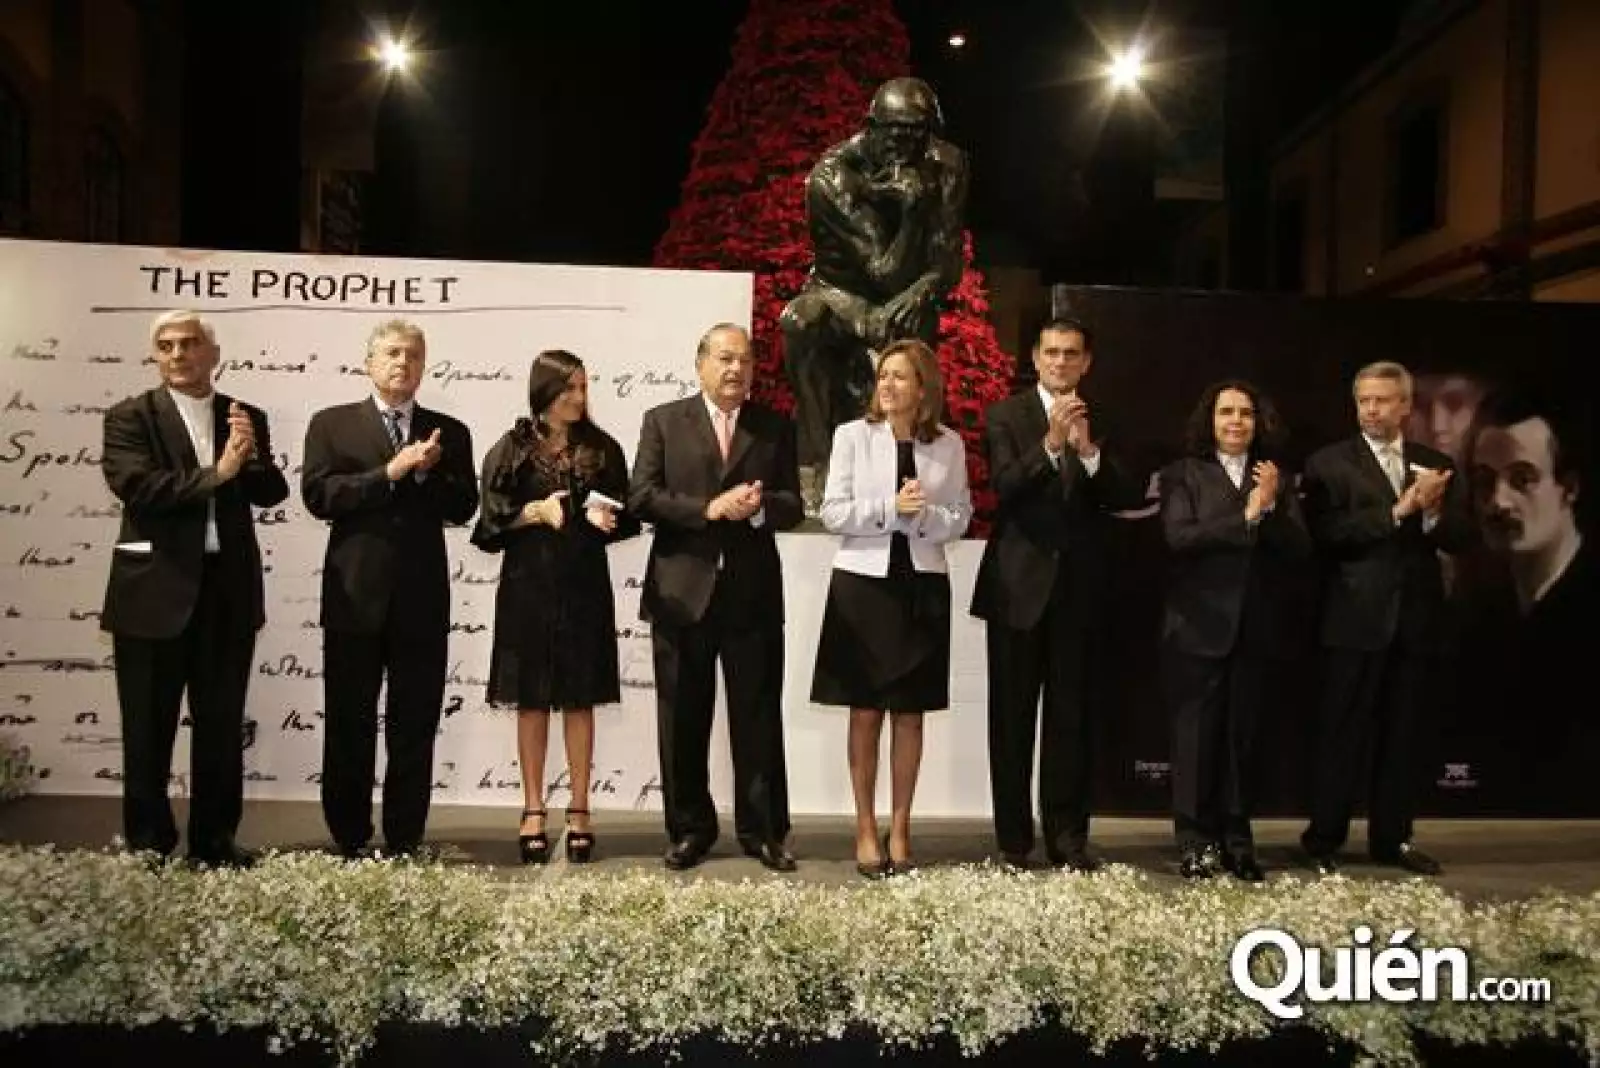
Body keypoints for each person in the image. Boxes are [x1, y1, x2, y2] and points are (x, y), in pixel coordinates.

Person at [99, 310, 289, 867]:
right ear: (156, 356)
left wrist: (251, 458)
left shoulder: (244, 415)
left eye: (189, 343)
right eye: (166, 346)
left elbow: (271, 493)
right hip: (151, 594)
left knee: (222, 728)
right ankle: (148, 845)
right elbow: (139, 488)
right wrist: (219, 473)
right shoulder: (130, 416)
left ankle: (215, 843)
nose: (178, 354)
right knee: (147, 728)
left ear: (213, 354)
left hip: (226, 594)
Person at [628, 322, 804, 872]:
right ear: (700, 363)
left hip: (752, 596)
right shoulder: (663, 420)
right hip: (681, 593)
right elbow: (641, 496)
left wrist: (759, 509)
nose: (736, 369)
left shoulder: (773, 426)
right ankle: (689, 829)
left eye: (745, 360)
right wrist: (707, 509)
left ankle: (764, 831)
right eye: (725, 358)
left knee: (758, 716)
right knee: (682, 717)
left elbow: (793, 505)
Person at [301, 320, 478, 858]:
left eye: (414, 355)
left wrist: (425, 475)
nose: (403, 363)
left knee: (415, 722)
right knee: (348, 719)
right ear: (369, 363)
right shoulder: (331, 424)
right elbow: (319, 496)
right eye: (393, 353)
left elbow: (464, 507)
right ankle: (348, 834)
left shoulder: (449, 431)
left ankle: (405, 835)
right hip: (353, 597)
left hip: (421, 600)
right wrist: (391, 472)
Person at [969, 317, 1140, 871]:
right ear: (1035, 358)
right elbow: (1004, 488)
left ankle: (1068, 838)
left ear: (1086, 362)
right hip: (1017, 588)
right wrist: (1050, 443)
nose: (1060, 362)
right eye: (1051, 352)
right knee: (1011, 720)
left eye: (1071, 353)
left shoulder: (1105, 417)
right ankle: (1014, 841)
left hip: (1080, 591)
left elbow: (1125, 495)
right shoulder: (1006, 415)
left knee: (1072, 718)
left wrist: (1088, 453)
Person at [1299, 360, 1473, 876]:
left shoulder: (1435, 464)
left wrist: (1433, 512)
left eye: (1382, 400)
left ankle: (1393, 839)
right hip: (1353, 619)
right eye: (1364, 401)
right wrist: (1399, 511)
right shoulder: (1329, 463)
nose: (1371, 410)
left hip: (1415, 620)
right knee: (1341, 733)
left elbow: (1464, 537)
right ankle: (1324, 839)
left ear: (1405, 406)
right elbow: (1326, 535)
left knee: (1403, 735)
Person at [470, 350, 640, 864]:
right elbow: (489, 522)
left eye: (583, 387)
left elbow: (629, 511)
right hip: (527, 587)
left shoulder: (602, 447)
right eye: (569, 388)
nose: (578, 397)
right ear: (544, 390)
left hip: (585, 586)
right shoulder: (512, 448)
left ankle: (581, 808)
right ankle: (532, 808)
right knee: (531, 700)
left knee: (580, 698)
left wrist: (610, 520)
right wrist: (533, 512)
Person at [811, 339, 972, 877]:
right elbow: (832, 512)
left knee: (910, 712)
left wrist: (925, 517)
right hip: (863, 586)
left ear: (923, 388)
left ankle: (900, 827)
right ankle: (864, 826)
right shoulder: (852, 436)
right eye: (884, 375)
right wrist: (889, 508)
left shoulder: (948, 444)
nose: (888, 385)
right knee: (864, 711)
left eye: (900, 377)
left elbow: (961, 516)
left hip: (922, 585)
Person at [780, 76, 970, 510]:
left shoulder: (948, 163)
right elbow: (882, 270)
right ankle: (816, 465)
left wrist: (923, 289)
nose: (909, 144)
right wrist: (913, 213)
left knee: (913, 330)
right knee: (800, 323)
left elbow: (948, 258)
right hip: (838, 294)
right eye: (897, 132)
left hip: (907, 292)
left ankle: (909, 471)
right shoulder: (832, 176)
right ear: (871, 127)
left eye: (919, 132)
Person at [1158, 381, 1310, 882]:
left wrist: (1271, 506)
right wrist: (1246, 515)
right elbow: (1180, 537)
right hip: (1196, 625)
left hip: (1255, 627)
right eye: (1227, 412)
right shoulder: (1183, 474)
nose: (1236, 421)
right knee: (1194, 740)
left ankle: (1238, 842)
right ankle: (1194, 842)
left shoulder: (1275, 477)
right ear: (1211, 420)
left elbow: (1299, 549)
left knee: (1241, 739)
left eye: (1245, 412)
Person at [1457, 387, 1595, 813]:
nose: (1498, 502)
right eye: (1485, 481)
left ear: (1569, 488)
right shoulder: (1476, 615)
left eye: (1522, 480)